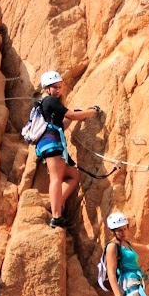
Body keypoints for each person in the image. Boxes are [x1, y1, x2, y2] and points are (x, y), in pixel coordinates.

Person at [31, 71, 100, 228]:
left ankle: (56, 203)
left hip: (50, 142)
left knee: (73, 175)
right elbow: (72, 116)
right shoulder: (50, 100)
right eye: (54, 87)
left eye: (60, 87)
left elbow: (62, 124)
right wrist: (92, 111)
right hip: (51, 142)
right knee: (56, 177)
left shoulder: (46, 104)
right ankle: (56, 216)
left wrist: (72, 117)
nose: (58, 90)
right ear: (47, 88)